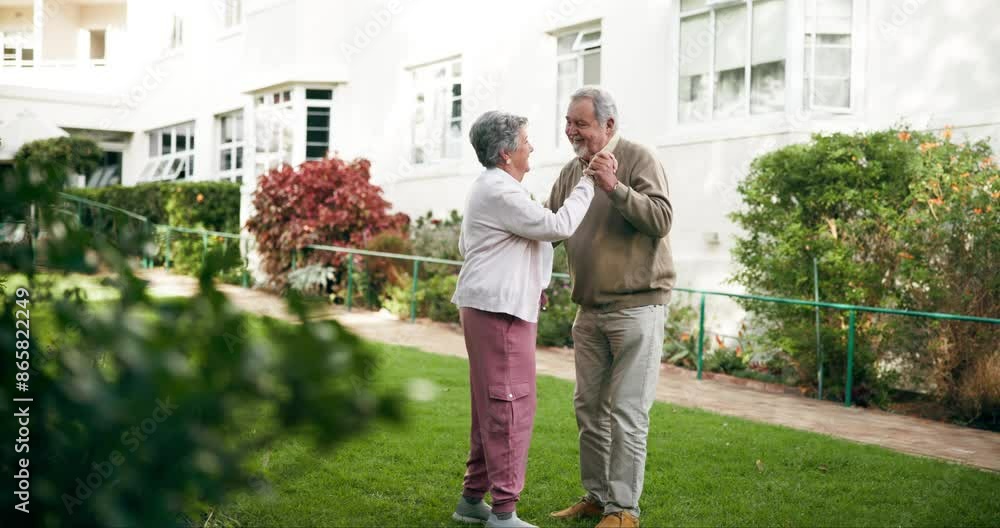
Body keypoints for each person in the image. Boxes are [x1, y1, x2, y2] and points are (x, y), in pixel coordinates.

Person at [450, 110, 598, 528]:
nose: (531, 146)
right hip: (498, 312)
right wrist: (588, 180)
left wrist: (532, 282)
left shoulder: (493, 187)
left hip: (491, 306)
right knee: (510, 407)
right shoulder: (500, 190)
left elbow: (496, 245)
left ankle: (472, 501)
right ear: (505, 152)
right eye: (525, 140)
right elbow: (557, 225)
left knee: (489, 406)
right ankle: (504, 512)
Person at [547, 87, 675, 528]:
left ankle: (624, 511)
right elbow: (549, 228)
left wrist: (615, 187)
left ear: (609, 125)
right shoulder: (569, 173)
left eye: (579, 123)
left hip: (638, 308)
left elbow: (660, 220)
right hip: (589, 311)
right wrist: (538, 279)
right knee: (589, 408)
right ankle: (597, 498)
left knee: (626, 412)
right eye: (568, 122)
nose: (571, 131)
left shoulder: (639, 159)